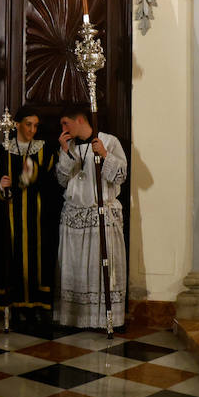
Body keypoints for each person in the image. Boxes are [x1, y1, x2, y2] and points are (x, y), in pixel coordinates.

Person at [54, 106, 127, 330]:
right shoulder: (69, 146)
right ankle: (75, 317)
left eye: (66, 123)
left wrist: (105, 155)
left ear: (79, 120)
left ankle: (104, 319)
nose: (63, 129)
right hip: (75, 216)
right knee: (75, 267)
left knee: (101, 268)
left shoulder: (109, 141)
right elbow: (61, 179)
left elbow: (121, 175)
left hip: (101, 215)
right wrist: (65, 153)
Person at [0, 106, 57, 324]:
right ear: (17, 124)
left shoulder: (44, 150)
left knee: (38, 259)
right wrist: (1, 185)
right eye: (28, 124)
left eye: (36, 125)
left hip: (38, 216)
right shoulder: (2, 152)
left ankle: (37, 304)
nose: (32, 130)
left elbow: (53, 183)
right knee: (12, 256)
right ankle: (14, 305)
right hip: (10, 215)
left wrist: (33, 175)